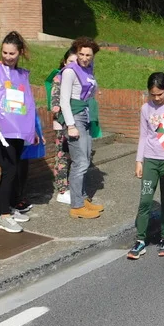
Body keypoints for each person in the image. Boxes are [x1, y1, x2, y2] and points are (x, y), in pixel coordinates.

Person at [0, 31, 38, 233]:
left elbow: (27, 104)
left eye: (12, 53)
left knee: (14, 169)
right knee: (9, 169)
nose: (7, 56)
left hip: (18, 129)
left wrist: (31, 129)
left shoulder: (21, 74)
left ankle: (10, 207)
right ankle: (4, 215)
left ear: (19, 52)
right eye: (4, 52)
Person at [128, 72, 164, 260]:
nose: (157, 98)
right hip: (150, 159)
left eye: (160, 94)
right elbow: (143, 135)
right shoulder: (145, 108)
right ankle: (140, 240)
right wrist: (139, 161)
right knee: (145, 200)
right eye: (153, 94)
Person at [59, 37, 102, 220]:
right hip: (75, 117)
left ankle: (83, 199)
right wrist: (70, 126)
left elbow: (91, 92)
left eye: (88, 55)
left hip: (85, 115)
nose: (84, 58)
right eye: (81, 54)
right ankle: (76, 206)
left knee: (86, 158)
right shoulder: (70, 71)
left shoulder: (88, 69)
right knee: (80, 162)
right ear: (76, 53)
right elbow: (64, 100)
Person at [49, 48, 77, 205]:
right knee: (62, 156)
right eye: (70, 61)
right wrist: (57, 107)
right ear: (65, 62)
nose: (73, 65)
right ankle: (62, 190)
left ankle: (71, 186)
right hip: (62, 123)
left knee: (72, 156)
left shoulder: (78, 78)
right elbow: (55, 99)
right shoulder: (59, 77)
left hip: (74, 123)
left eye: (76, 62)